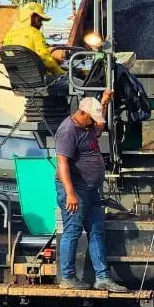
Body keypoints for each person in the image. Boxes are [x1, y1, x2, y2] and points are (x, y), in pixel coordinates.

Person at [55, 92, 129, 292]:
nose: (94, 123)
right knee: (73, 231)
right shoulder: (67, 131)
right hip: (75, 190)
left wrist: (103, 104)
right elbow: (62, 164)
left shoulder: (87, 126)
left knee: (97, 230)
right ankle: (68, 277)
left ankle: (102, 277)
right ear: (81, 112)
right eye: (92, 118)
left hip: (91, 189)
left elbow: (98, 129)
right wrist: (70, 193)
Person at [2, 2, 65, 77]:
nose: (41, 24)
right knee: (76, 83)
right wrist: (62, 73)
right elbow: (47, 61)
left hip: (19, 81)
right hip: (40, 81)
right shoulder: (34, 33)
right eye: (39, 20)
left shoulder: (8, 35)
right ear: (31, 16)